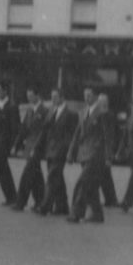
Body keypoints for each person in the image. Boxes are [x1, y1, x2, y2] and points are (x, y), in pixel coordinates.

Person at [67, 87, 114, 224]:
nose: (86, 98)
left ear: (95, 97)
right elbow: (77, 134)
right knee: (91, 186)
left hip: (95, 154)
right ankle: (97, 215)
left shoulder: (102, 113)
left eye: (89, 95)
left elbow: (108, 137)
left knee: (82, 183)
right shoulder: (82, 112)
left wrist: (108, 157)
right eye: (85, 95)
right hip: (83, 153)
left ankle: (76, 213)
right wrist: (71, 152)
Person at [35, 87, 77, 216]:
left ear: (62, 98)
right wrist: (38, 147)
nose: (53, 99)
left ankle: (45, 206)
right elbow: (45, 130)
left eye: (55, 97)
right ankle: (62, 206)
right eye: (52, 97)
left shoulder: (70, 114)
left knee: (52, 177)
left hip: (61, 150)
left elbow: (72, 135)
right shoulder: (51, 111)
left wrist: (68, 150)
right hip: (50, 149)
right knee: (57, 178)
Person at [12, 86, 47, 211]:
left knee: (27, 174)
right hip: (29, 146)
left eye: (31, 96)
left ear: (37, 96)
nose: (29, 98)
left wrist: (37, 147)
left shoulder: (44, 111)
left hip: (37, 147)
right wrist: (16, 145)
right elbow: (23, 129)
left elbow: (44, 132)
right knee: (36, 175)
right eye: (28, 96)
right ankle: (41, 201)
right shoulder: (29, 110)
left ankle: (20, 202)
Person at [95, 94, 119, 208]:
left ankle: (111, 199)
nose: (103, 104)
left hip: (105, 149)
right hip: (98, 149)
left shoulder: (109, 115)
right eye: (100, 102)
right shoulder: (97, 114)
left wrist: (109, 154)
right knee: (105, 176)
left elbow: (111, 135)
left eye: (104, 102)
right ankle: (111, 199)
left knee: (103, 175)